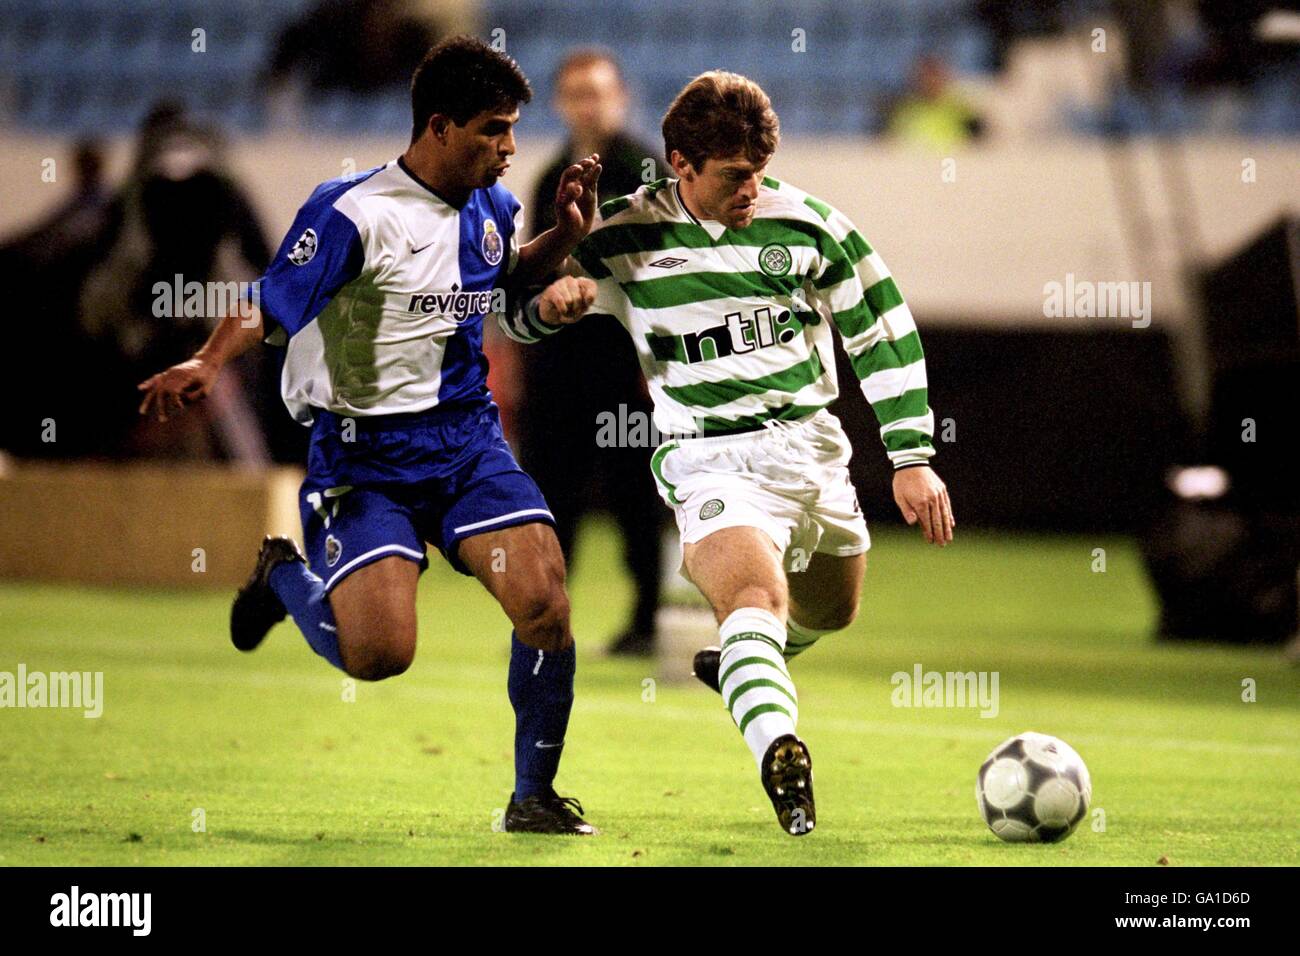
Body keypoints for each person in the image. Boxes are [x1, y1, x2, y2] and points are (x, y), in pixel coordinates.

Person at [137, 37, 603, 835]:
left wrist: (562, 237)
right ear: (440, 125)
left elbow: (500, 280)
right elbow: (271, 298)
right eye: (494, 129)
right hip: (364, 458)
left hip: (466, 444)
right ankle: (285, 574)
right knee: (379, 656)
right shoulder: (353, 211)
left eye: (514, 129)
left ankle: (533, 795)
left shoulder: (492, 207)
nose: (510, 147)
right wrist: (209, 360)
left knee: (545, 603)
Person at [508, 71, 954, 836]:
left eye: (760, 171)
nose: (753, 188)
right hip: (709, 457)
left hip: (813, 452)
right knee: (755, 599)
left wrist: (910, 454)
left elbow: (882, 330)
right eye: (735, 175)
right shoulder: (623, 233)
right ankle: (779, 748)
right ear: (680, 164)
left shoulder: (811, 226)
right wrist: (550, 304)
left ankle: (744, 665)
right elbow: (517, 317)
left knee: (831, 612)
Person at [517, 49, 666, 656]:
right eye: (577, 92)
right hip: (559, 366)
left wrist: (657, 363)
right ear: (559, 102)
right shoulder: (549, 177)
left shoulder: (647, 170)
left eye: (598, 91)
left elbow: (667, 272)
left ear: (621, 96)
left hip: (625, 364)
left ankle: (647, 619)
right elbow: (532, 272)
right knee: (551, 496)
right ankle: (549, 619)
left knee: (636, 494)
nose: (588, 103)